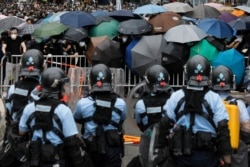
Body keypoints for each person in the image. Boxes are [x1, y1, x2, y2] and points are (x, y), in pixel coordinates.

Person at [157, 55, 232, 167]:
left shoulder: (176, 96)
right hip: (207, 156)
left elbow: (164, 124)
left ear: (187, 73)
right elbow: (223, 129)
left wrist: (160, 151)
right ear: (208, 73)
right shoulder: (215, 98)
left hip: (180, 156)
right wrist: (227, 159)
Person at [18, 67, 93, 167]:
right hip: (57, 160)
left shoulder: (29, 108)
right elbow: (71, 142)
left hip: (35, 160)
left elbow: (21, 132)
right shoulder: (63, 110)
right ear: (57, 87)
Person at [74, 63, 127, 167]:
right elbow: (122, 119)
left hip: (91, 148)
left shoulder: (82, 103)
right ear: (110, 80)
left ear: (91, 80)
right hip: (112, 149)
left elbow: (77, 118)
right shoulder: (120, 103)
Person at [0, 49, 44, 167]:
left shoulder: (13, 87)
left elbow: (9, 109)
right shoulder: (42, 91)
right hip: (35, 141)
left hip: (15, 138)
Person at [127, 64, 174, 167]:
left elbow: (139, 123)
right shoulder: (174, 100)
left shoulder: (141, 104)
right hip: (169, 144)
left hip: (148, 143)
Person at [212, 65, 250, 167]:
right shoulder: (238, 104)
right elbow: (247, 129)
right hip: (233, 149)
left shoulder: (208, 101)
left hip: (212, 148)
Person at [2, 27, 27, 98]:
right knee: (7, 76)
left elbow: (24, 46)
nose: (13, 34)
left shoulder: (19, 38)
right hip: (9, 61)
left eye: (15, 33)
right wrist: (6, 53)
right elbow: (3, 47)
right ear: (10, 33)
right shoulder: (7, 39)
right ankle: (5, 91)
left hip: (17, 60)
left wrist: (23, 53)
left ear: (17, 33)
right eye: (12, 33)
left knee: (16, 77)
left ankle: (14, 91)